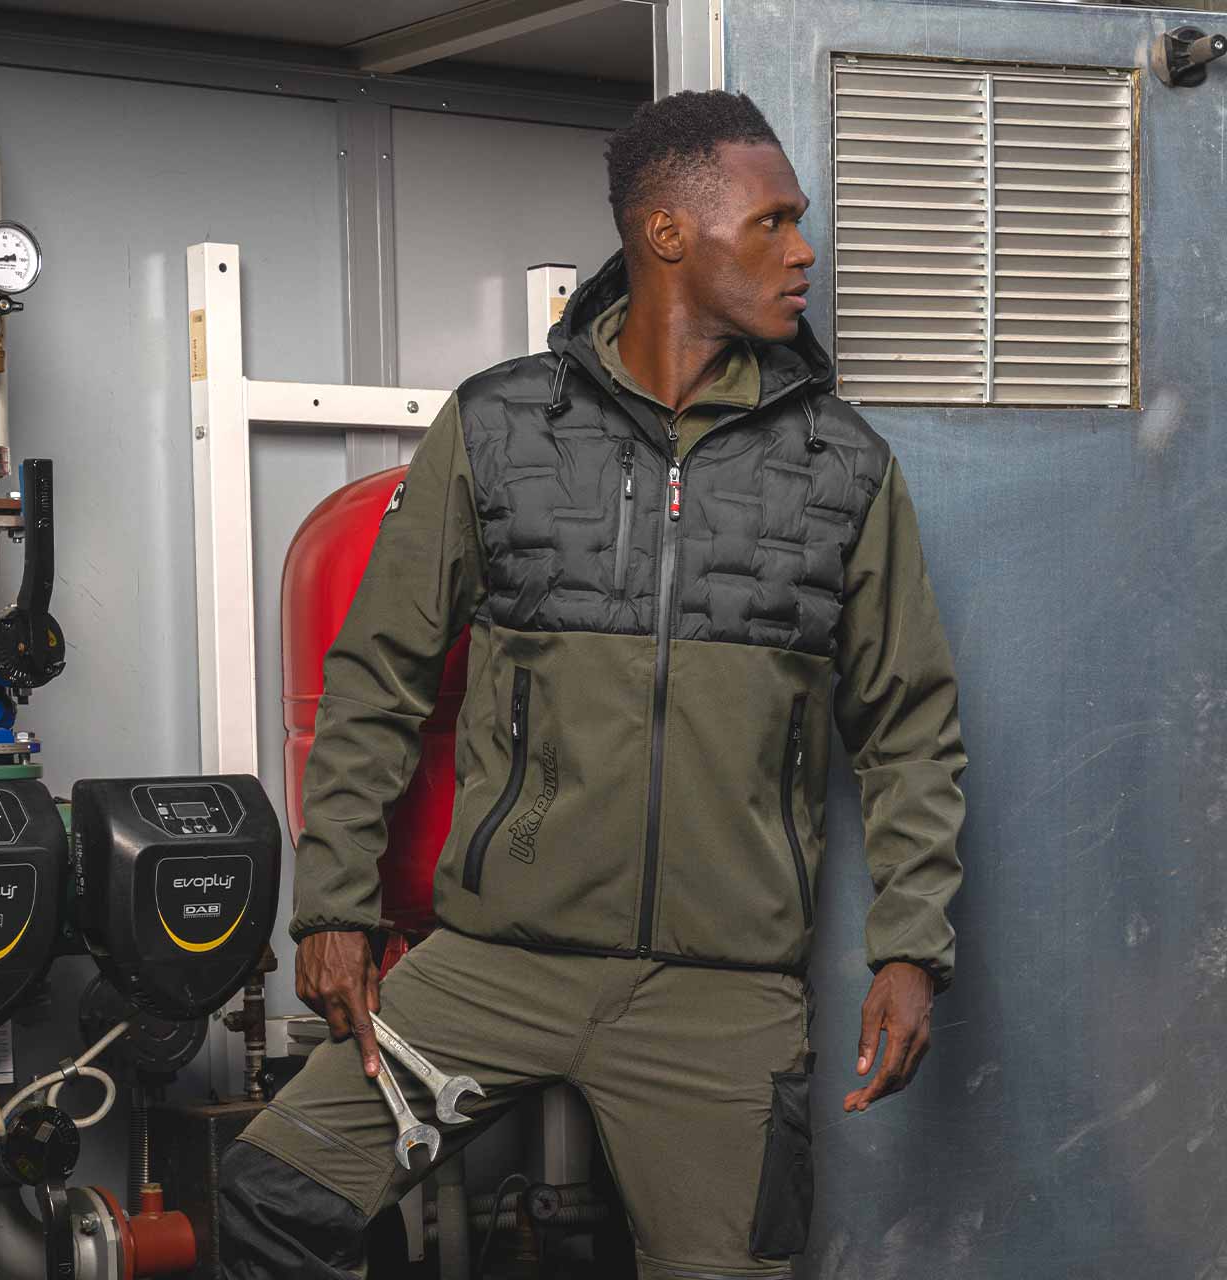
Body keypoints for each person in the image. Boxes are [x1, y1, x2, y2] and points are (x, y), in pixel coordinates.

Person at [220, 88, 967, 1279]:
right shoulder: (500, 426)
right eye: (771, 222)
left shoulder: (841, 468)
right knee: (273, 1193)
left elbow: (909, 729)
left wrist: (909, 948)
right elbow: (375, 678)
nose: (802, 252)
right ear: (667, 233)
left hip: (718, 997)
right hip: (496, 963)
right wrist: (332, 907)